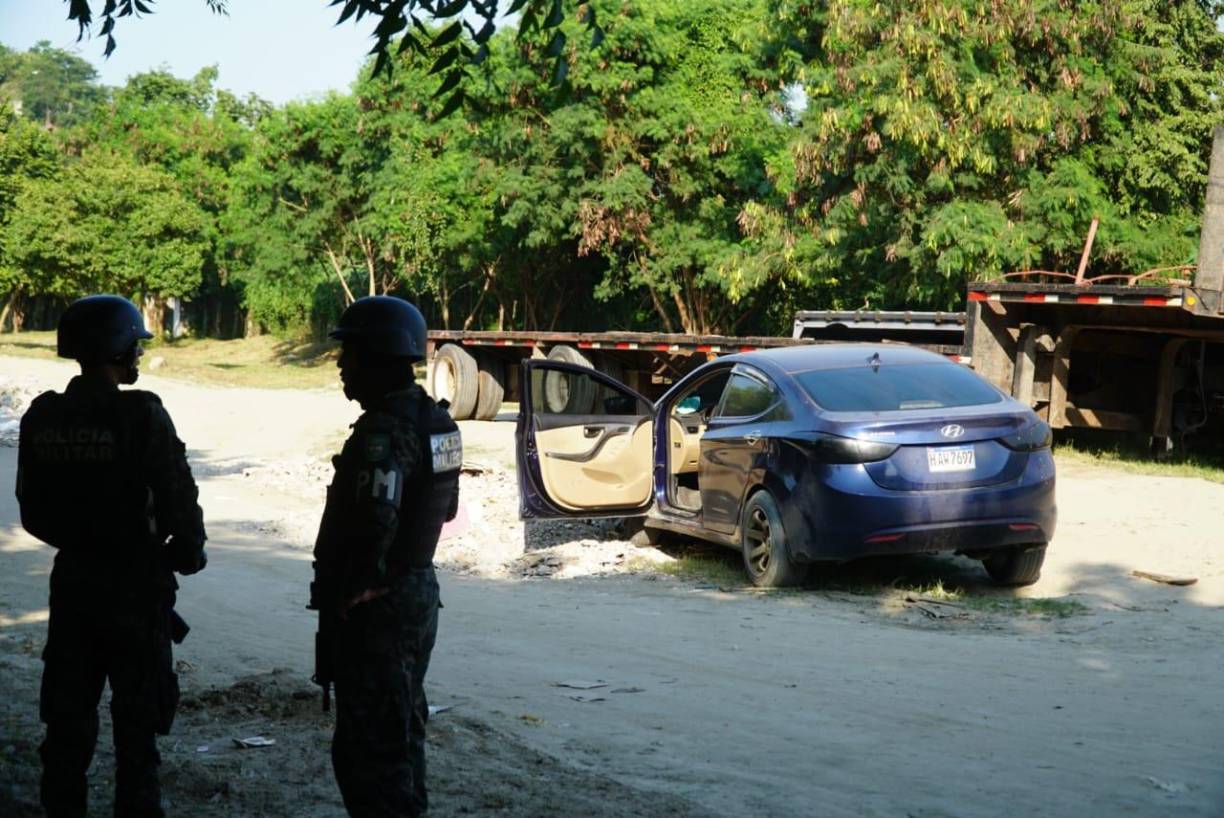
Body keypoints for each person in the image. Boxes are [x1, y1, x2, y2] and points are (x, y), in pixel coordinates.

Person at [16, 294, 207, 818]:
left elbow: (32, 512)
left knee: (67, 727)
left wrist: (83, 541)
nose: (138, 356)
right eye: (134, 346)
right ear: (119, 349)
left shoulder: (43, 416)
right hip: (135, 587)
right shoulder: (141, 413)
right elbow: (179, 502)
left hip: (74, 582)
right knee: (136, 733)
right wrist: (182, 553)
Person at [311, 295, 461, 817]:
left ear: (378, 357)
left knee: (369, 753)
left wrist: (359, 586)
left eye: (349, 354)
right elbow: (444, 508)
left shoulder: (384, 430)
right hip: (417, 595)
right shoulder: (436, 423)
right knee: (401, 733)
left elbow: (376, 519)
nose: (340, 367)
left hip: (381, 608)